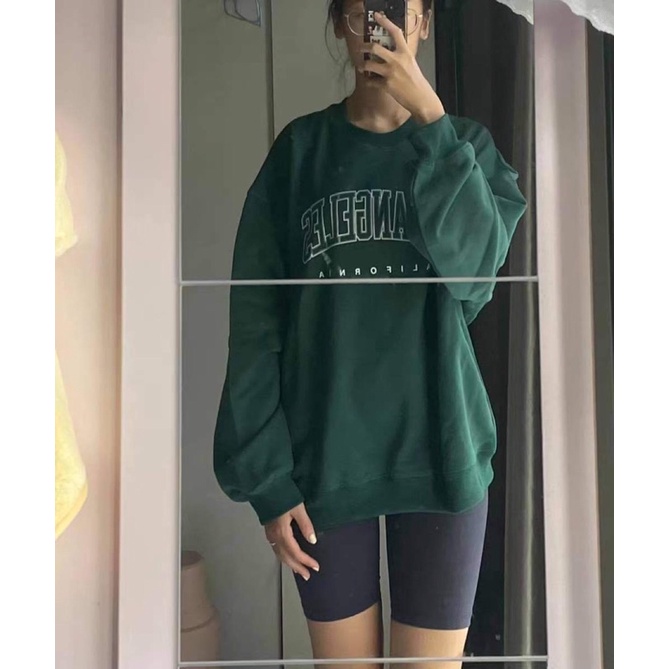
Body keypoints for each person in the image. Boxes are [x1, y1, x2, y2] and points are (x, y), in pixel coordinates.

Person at [213, 0, 528, 665]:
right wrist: (267, 478)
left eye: (395, 12)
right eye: (361, 14)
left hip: (442, 451)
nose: (377, 31)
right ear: (339, 24)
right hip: (325, 459)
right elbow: (255, 325)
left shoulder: (465, 148)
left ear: (423, 23)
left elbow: (474, 278)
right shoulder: (300, 153)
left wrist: (432, 120)